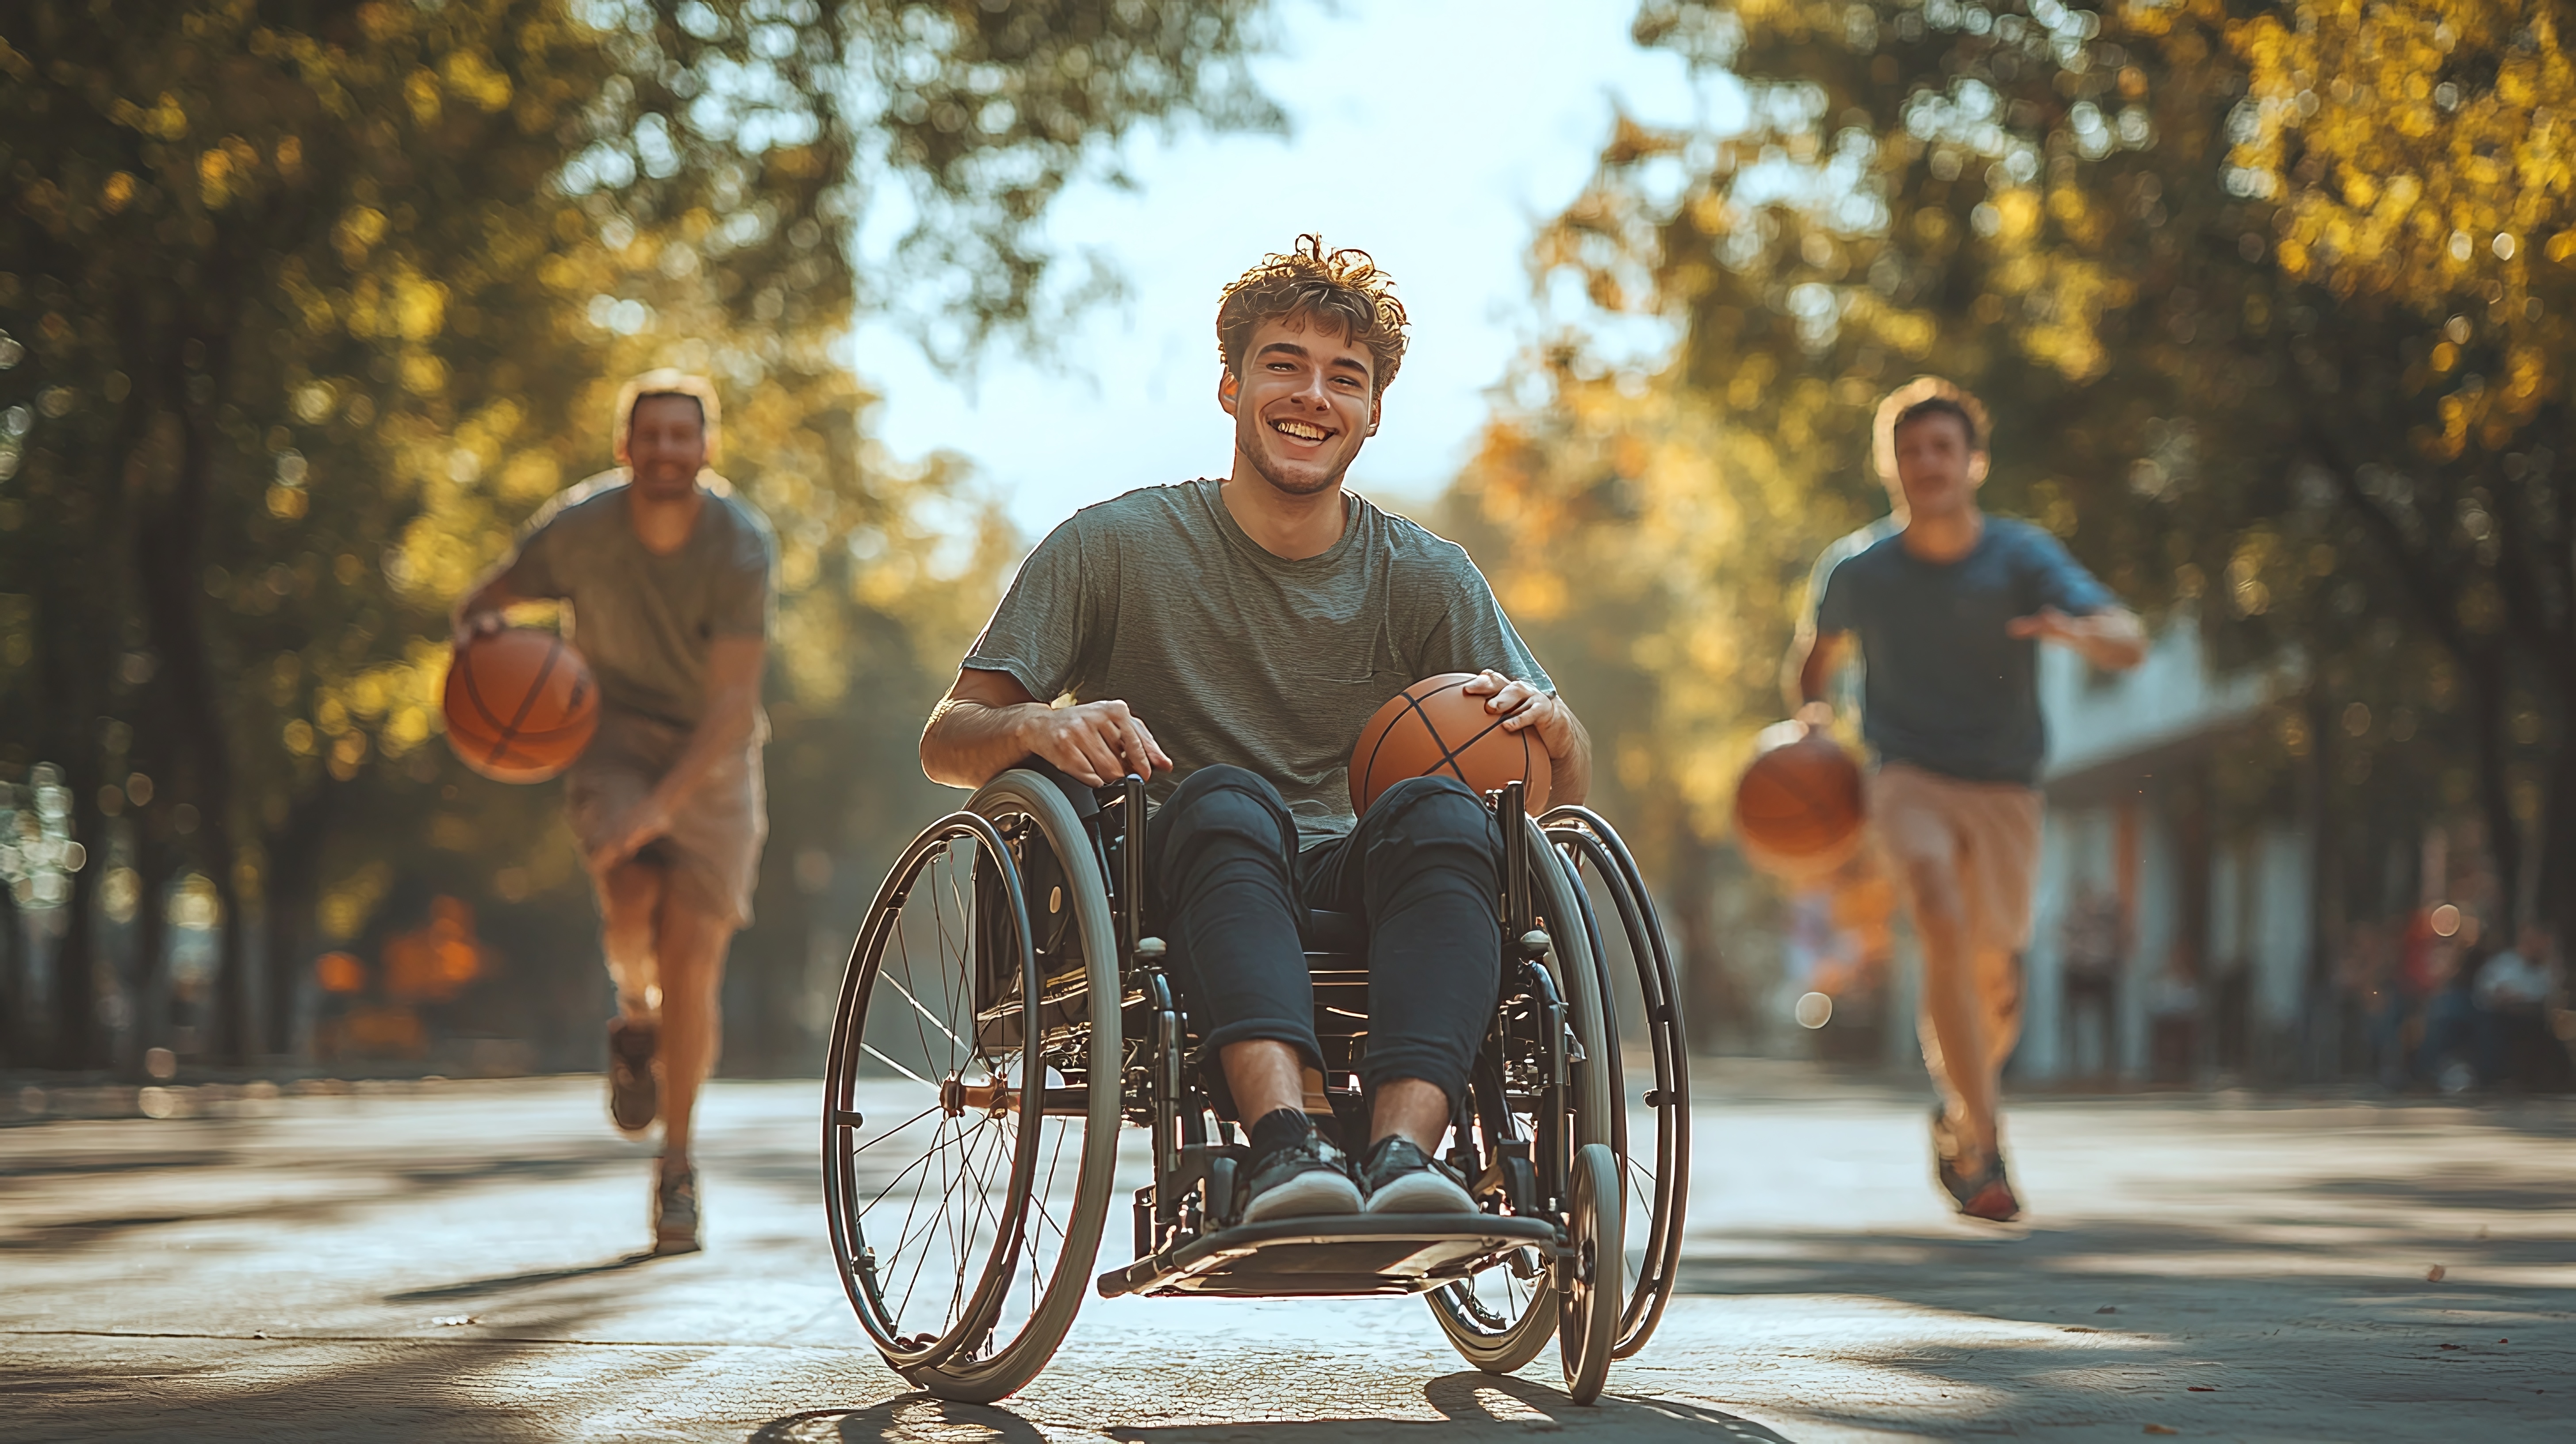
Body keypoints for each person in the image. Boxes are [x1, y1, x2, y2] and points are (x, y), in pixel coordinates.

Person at [918, 236, 1590, 1224]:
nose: (1312, 395)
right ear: (1230, 388)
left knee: (1448, 814)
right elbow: (947, 740)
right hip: (1168, 870)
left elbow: (1544, 808)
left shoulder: (1425, 574)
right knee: (1226, 797)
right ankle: (1285, 1148)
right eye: (1284, 364)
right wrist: (1031, 725)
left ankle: (1406, 1158)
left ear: (1370, 415)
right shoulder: (1113, 546)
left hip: (1348, 876)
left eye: (1343, 378)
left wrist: (1557, 729)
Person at [1784, 377, 2145, 1222]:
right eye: (1910, 451)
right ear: (1892, 468)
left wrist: (2079, 632)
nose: (1927, 464)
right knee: (1939, 918)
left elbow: (2129, 640)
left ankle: (1957, 1111)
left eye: (1943, 449)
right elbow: (1813, 660)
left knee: (1994, 975)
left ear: (1973, 463)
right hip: (1905, 773)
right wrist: (1810, 724)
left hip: (2006, 785)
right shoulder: (1859, 568)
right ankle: (1985, 1149)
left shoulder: (2021, 558)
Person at [451, 370, 774, 1254]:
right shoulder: (579, 530)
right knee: (631, 902)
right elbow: (481, 601)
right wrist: (483, 643)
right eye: (652, 436)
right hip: (609, 736)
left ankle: (676, 1167)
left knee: (695, 955)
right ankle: (636, 1016)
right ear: (625, 447)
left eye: (684, 436)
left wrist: (666, 806)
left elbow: (733, 706)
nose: (667, 451)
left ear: (706, 450)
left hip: (711, 755)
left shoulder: (739, 545)